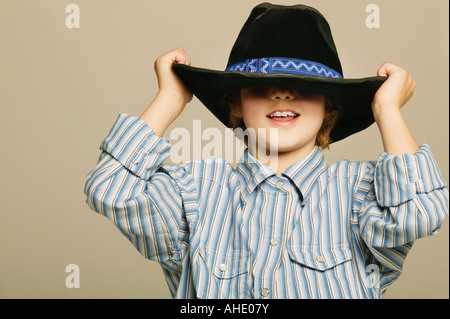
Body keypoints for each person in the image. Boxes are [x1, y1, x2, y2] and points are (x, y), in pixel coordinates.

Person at [84, 3, 448, 299]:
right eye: (261, 85)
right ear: (237, 103)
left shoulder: (359, 192)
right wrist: (170, 98)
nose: (283, 93)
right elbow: (111, 188)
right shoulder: (195, 192)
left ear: (329, 108)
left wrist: (387, 109)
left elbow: (420, 213)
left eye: (303, 86)